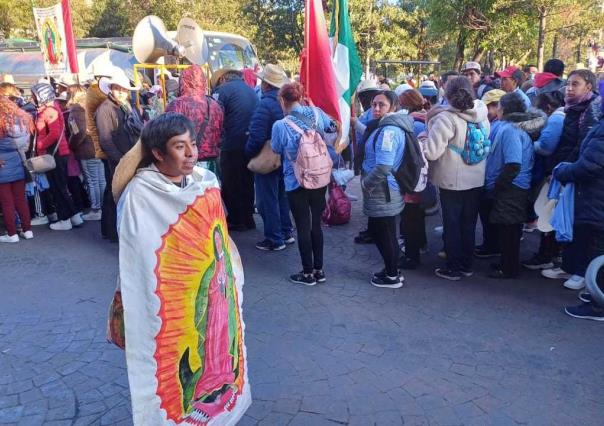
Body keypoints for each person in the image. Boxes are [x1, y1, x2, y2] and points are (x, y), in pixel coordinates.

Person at [113, 113, 251, 424]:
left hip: (216, 293)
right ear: (158, 153)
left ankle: (218, 394)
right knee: (173, 355)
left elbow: (219, 234)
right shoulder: (140, 194)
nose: (191, 154)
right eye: (179, 146)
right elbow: (137, 253)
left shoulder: (206, 182)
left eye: (193, 144)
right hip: (172, 296)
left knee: (218, 348)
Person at [421, 76, 490, 281]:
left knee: (452, 224)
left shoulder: (446, 119)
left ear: (446, 94)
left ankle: (453, 267)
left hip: (451, 179)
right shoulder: (482, 114)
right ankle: (467, 264)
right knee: (469, 223)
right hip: (476, 176)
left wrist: (425, 138)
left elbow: (432, 152)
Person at [542, 69, 600, 289]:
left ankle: (582, 271)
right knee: (567, 219)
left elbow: (583, 147)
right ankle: (569, 266)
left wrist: (565, 169)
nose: (569, 88)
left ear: (589, 87)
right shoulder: (572, 109)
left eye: (575, 84)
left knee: (583, 226)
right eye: (568, 83)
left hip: (577, 173)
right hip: (568, 170)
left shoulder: (590, 112)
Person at [271, 82, 332, 286]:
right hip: (320, 176)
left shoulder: (281, 125)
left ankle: (307, 273)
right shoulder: (316, 113)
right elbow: (329, 128)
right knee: (316, 224)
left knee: (302, 226)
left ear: (282, 100)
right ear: (301, 97)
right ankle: (319, 270)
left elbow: (277, 148)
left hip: (295, 180)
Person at [556, 83, 604, 320]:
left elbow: (590, 166)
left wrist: (565, 171)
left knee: (598, 249)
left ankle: (599, 304)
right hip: (596, 197)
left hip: (597, 199)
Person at [485, 93, 543, 278]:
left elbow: (513, 164)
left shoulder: (511, 130)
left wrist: (498, 185)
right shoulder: (513, 128)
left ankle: (508, 268)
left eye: (499, 106)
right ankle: (506, 263)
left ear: (505, 109)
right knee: (508, 228)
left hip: (512, 187)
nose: (497, 109)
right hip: (514, 186)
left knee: (509, 229)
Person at [358, 91, 408, 288]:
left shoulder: (388, 131)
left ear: (393, 107)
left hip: (383, 189)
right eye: (374, 104)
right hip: (385, 188)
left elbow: (384, 166)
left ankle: (391, 275)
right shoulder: (388, 126)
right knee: (385, 231)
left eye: (382, 105)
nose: (376, 109)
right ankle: (392, 268)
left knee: (384, 233)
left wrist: (366, 184)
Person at [244, 64, 294, 251]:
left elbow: (256, 135)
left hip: (268, 158)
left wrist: (249, 153)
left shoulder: (265, 104)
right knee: (281, 196)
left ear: (265, 84)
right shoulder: (284, 103)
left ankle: (274, 238)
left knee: (267, 199)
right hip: (284, 157)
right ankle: (286, 232)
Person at [522, 91, 566, 271]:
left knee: (546, 211)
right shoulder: (563, 115)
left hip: (550, 172)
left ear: (547, 108)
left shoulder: (555, 119)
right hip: (555, 170)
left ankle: (545, 255)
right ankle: (552, 252)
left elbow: (546, 147)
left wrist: (529, 143)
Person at [95, 71, 141, 241]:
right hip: (118, 160)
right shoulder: (105, 110)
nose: (121, 92)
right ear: (111, 89)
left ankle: (115, 230)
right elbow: (106, 140)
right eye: (118, 88)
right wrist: (121, 160)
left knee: (120, 194)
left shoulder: (128, 106)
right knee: (115, 194)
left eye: (124, 89)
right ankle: (112, 231)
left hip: (130, 156)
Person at [212, 69, 259, 231]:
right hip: (250, 143)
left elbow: (214, 116)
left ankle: (235, 219)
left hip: (231, 143)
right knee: (247, 181)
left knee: (231, 182)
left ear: (223, 79)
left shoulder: (222, 91)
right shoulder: (250, 90)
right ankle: (248, 218)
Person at [31, 82, 80, 231]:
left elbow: (54, 134)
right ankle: (73, 216)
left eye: (34, 95)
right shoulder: (53, 108)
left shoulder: (48, 111)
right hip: (58, 153)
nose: (32, 98)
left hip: (54, 154)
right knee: (62, 187)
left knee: (58, 188)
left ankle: (64, 219)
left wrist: (40, 145)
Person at [166, 65, 224, 174]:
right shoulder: (215, 105)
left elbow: (167, 135)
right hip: (212, 164)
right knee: (209, 190)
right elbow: (221, 135)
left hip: (186, 163)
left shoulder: (177, 105)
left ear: (183, 80)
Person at [397, 89, 428, 270]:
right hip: (422, 176)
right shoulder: (425, 119)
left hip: (411, 176)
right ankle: (420, 245)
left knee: (410, 217)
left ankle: (411, 255)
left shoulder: (411, 124)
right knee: (417, 215)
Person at [66, 84, 105, 221]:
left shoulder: (76, 112)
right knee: (100, 179)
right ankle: (102, 207)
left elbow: (78, 132)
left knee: (93, 181)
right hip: (97, 147)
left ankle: (96, 209)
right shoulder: (92, 107)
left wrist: (72, 145)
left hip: (87, 150)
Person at [0, 87, 33, 242]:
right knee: (21, 199)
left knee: (7, 202)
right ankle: (27, 230)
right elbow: (25, 144)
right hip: (18, 160)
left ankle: (12, 234)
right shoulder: (21, 121)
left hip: (2, 165)